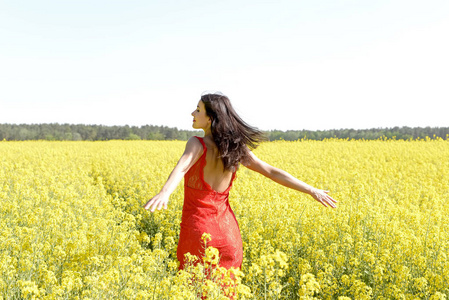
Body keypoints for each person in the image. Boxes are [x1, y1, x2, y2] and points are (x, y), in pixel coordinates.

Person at [143, 93, 337, 270]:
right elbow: (271, 172)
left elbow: (183, 166)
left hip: (200, 234)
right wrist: (311, 190)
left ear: (210, 118)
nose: (192, 112)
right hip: (228, 236)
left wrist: (165, 192)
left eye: (198, 109)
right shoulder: (235, 148)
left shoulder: (197, 143)